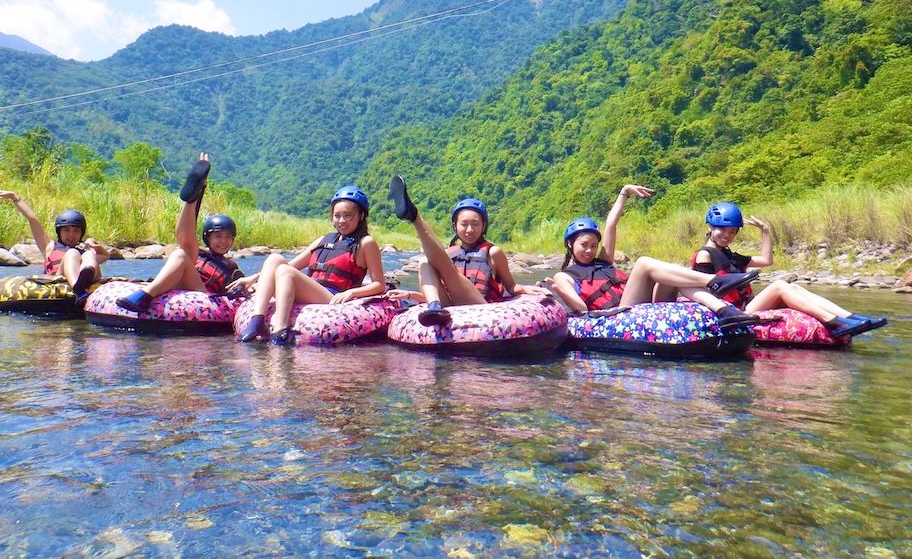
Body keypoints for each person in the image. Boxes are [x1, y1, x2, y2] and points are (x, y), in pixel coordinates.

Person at [548, 184, 762, 327]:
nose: (589, 250)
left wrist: (624, 192)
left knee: (674, 276)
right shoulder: (564, 276)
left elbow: (611, 225)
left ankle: (724, 310)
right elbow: (581, 309)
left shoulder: (602, 261)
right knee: (642, 263)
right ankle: (716, 281)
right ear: (570, 243)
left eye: (594, 245)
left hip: (640, 304)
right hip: (618, 314)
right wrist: (559, 291)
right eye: (584, 245)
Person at [691, 201, 887, 338]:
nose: (727, 235)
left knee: (795, 288)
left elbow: (767, 261)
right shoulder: (705, 255)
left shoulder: (731, 255)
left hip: (747, 304)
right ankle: (834, 322)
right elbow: (704, 289)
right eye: (722, 230)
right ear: (710, 226)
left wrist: (765, 232)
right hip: (734, 311)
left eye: (732, 231)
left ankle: (851, 317)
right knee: (779, 286)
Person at [388, 175, 549, 326]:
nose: (470, 230)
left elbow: (511, 287)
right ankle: (434, 306)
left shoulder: (493, 253)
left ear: (484, 226)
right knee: (424, 261)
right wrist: (410, 295)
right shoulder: (450, 252)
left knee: (446, 268)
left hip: (481, 308)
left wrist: (527, 290)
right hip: (448, 307)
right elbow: (443, 291)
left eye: (475, 224)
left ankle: (415, 217)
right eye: (464, 224)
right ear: (454, 226)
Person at [237, 185, 387, 344]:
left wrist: (353, 293)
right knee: (275, 259)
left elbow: (379, 285)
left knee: (285, 271)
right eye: (337, 216)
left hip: (332, 296)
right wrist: (254, 278)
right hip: (312, 289)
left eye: (348, 216)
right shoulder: (325, 240)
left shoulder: (365, 243)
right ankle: (257, 320)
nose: (341, 221)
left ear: (361, 216)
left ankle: (280, 329)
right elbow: (291, 264)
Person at [117, 154, 244, 312]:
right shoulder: (200, 253)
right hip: (181, 283)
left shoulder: (232, 268)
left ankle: (145, 295)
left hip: (202, 296)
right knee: (182, 253)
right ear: (208, 238)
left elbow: (243, 290)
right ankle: (192, 197)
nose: (223, 241)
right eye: (218, 236)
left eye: (227, 238)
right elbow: (190, 230)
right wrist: (201, 187)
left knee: (182, 255)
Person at [0, 189, 109, 303]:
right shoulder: (49, 247)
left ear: (81, 233)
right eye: (66, 230)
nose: (71, 235)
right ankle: (77, 289)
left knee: (89, 254)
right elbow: (33, 219)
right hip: (60, 280)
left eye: (76, 231)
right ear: (59, 232)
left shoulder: (84, 250)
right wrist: (15, 198)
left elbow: (104, 255)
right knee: (72, 253)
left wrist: (95, 246)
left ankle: (84, 281)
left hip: (90, 281)